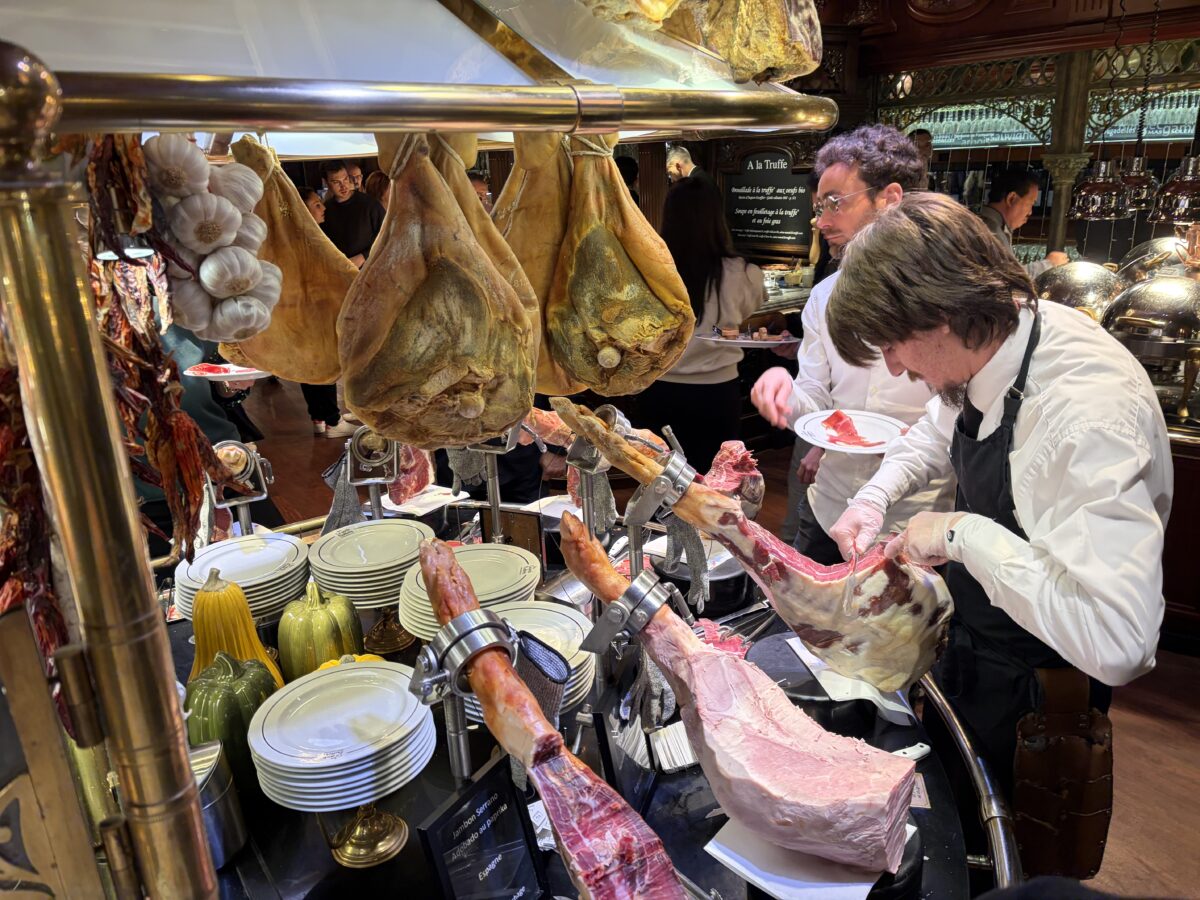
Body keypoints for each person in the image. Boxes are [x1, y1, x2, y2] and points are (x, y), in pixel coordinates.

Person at [827, 192, 1170, 877]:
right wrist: (875, 495)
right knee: (955, 835)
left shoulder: (1081, 413)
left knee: (1015, 866)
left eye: (893, 344)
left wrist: (958, 534)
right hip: (977, 649)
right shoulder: (998, 340)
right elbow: (939, 421)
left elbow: (1120, 642)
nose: (893, 367)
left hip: (1042, 693)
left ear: (944, 315)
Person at [750, 124, 955, 564]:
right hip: (832, 504)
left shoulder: (945, 295)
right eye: (818, 207)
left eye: (834, 203)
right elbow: (817, 401)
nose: (822, 221)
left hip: (915, 519)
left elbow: (957, 415)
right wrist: (785, 392)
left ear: (890, 197)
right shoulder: (825, 297)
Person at [634, 177, 764, 472]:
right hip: (717, 394)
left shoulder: (650, 273)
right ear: (718, 217)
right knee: (716, 481)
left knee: (659, 481)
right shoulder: (744, 273)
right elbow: (749, 309)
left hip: (660, 390)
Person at [298, 186, 357, 438]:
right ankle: (332, 420)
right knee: (322, 361)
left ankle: (320, 417)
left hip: (306, 308)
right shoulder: (309, 237)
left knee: (309, 363)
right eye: (317, 205)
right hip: (315, 308)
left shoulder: (300, 236)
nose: (323, 208)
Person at [978, 166, 1069, 277]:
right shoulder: (990, 230)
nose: (1030, 212)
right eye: (1031, 203)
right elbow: (1009, 279)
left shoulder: (991, 225)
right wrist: (1049, 264)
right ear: (1012, 198)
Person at [319, 160, 385, 270]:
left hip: (371, 270)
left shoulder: (370, 205)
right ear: (325, 182)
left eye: (345, 179)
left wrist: (364, 256)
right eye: (336, 182)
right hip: (341, 273)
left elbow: (387, 235)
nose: (343, 186)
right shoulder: (326, 210)